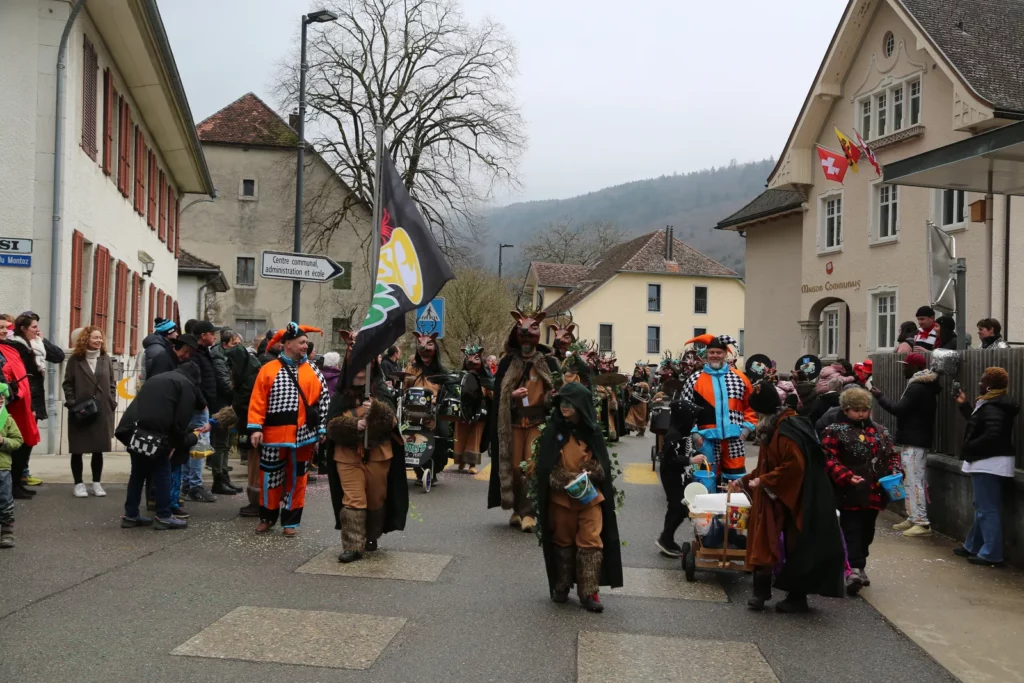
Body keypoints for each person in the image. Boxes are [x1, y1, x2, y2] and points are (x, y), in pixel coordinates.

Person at [732, 381, 845, 613]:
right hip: (777, 492)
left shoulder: (786, 430)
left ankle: (796, 598)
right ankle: (760, 593)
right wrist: (743, 481)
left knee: (797, 543)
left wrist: (764, 480)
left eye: (757, 412)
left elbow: (794, 466)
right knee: (764, 538)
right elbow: (767, 464)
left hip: (799, 495)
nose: (755, 416)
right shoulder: (774, 427)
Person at [533, 382, 622, 612]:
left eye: (570, 403)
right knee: (562, 541)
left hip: (589, 497)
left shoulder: (592, 431)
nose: (565, 406)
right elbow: (545, 467)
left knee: (591, 540)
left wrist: (592, 471)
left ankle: (589, 591)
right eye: (562, 402)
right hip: (561, 500)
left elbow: (601, 464)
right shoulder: (553, 431)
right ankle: (562, 584)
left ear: (580, 406)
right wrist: (564, 478)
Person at [247, 323, 329, 536]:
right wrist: (255, 427)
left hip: (304, 436)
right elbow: (257, 400)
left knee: (298, 479)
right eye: (301, 342)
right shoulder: (268, 369)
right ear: (288, 344)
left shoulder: (314, 371)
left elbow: (324, 401)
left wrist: (321, 428)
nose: (305, 346)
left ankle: (290, 522)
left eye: (306, 342)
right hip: (273, 436)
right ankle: (267, 517)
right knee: (270, 478)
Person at [821, 386, 901, 595]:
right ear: (846, 410)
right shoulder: (834, 431)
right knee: (852, 529)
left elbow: (892, 454)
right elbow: (827, 458)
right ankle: (854, 570)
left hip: (875, 491)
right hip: (849, 492)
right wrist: (846, 476)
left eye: (865, 410)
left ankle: (860, 565)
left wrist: (896, 471)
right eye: (856, 410)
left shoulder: (880, 431)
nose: (861, 414)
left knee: (867, 531)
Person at [327, 362, 408, 562]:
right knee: (353, 499)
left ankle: (371, 534)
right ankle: (353, 546)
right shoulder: (341, 394)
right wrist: (353, 425)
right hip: (347, 455)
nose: (361, 367)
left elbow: (391, 422)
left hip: (378, 453)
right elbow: (331, 427)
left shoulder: (380, 391)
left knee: (375, 499)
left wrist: (376, 410)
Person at [489, 311, 559, 532]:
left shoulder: (549, 362)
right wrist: (511, 396)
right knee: (513, 466)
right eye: (522, 330)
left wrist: (550, 397)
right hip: (514, 423)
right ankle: (517, 510)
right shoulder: (508, 362)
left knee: (531, 466)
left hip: (537, 423)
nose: (527, 334)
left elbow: (556, 395)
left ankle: (529, 513)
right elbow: (498, 395)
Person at [116, 363, 206, 530]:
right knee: (163, 473)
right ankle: (164, 516)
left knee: (137, 475)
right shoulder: (186, 385)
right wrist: (188, 439)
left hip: (137, 433)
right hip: (159, 437)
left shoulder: (156, 379)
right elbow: (180, 421)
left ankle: (130, 515)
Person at [953, 367, 1018, 567]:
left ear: (989, 385)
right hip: (991, 462)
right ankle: (972, 545)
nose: (979, 383)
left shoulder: (992, 407)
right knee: (982, 507)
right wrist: (964, 406)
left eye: (982, 381)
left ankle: (991, 553)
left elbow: (992, 435)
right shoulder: (993, 404)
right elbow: (980, 425)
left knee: (986, 509)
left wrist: (969, 446)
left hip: (988, 463)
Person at [871, 353, 939, 537]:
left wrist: (880, 396)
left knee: (915, 481)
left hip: (915, 440)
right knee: (910, 479)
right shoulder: (921, 386)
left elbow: (898, 409)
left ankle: (922, 522)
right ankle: (913, 517)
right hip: (914, 439)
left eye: (906, 365)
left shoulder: (917, 388)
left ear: (915, 368)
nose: (903, 369)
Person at [681, 335, 757, 486]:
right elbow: (685, 409)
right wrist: (695, 434)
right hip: (705, 440)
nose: (715, 355)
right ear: (707, 354)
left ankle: (731, 502)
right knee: (705, 481)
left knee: (735, 483)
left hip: (735, 440)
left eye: (719, 352)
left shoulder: (740, 378)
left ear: (725, 354)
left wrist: (746, 430)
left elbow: (752, 406)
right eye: (712, 352)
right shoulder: (694, 379)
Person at [62, 326, 116, 498]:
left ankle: (96, 483)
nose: (99, 340)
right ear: (86, 339)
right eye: (95, 337)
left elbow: (112, 382)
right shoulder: (75, 360)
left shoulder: (105, 358)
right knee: (78, 448)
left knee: (98, 449)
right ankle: (78, 484)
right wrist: (72, 403)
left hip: (102, 410)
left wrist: (111, 401)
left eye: (100, 337)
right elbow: (68, 384)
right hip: (81, 410)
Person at [184, 321, 231, 502]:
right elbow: (195, 382)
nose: (215, 336)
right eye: (212, 333)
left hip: (203, 405)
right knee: (198, 446)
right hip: (198, 407)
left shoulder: (204, 352)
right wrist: (202, 403)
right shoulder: (196, 354)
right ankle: (194, 486)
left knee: (194, 445)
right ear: (203, 335)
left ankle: (188, 484)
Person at [655, 398, 706, 557]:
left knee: (681, 508)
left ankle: (667, 537)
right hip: (672, 477)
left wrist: (696, 456)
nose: (694, 422)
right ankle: (666, 538)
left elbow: (685, 451)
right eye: (692, 418)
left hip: (682, 475)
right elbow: (670, 459)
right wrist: (691, 460)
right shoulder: (673, 435)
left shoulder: (684, 434)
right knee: (677, 507)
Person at [0, 324, 40, 500]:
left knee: (22, 445)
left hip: (19, 403)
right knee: (11, 448)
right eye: (1, 328)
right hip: (8, 405)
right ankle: (10, 488)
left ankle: (15, 485)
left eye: (5, 327)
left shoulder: (11, 348)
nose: (5, 331)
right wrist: (10, 390)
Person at [226, 341, 262, 517]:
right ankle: (258, 501)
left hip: (254, 428)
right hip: (252, 427)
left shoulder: (249, 379)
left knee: (255, 465)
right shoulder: (250, 373)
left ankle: (257, 501)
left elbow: (243, 403)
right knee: (254, 463)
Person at [206, 326, 240, 496]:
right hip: (220, 405)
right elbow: (226, 385)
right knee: (220, 444)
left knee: (225, 444)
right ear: (226, 344)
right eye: (235, 344)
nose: (238, 347)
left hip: (226, 404)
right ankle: (219, 479)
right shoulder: (219, 359)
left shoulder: (226, 357)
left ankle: (224, 476)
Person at [452, 345, 492, 474]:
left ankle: (472, 463)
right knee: (460, 433)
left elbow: (492, 391)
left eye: (476, 358)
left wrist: (488, 392)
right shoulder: (462, 375)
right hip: (463, 407)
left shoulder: (486, 376)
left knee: (475, 436)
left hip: (479, 408)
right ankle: (461, 460)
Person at [0, 383, 24, 548]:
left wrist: (3, 441)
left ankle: (7, 531)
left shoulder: (7, 420)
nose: (0, 399)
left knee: (4, 499)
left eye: (2, 396)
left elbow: (18, 440)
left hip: (2, 467)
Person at [141, 318, 178, 385]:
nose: (177, 334)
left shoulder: (161, 346)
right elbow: (155, 373)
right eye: (175, 331)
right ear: (168, 334)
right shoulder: (156, 350)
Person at [625, 363, 650, 437]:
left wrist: (641, 386)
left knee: (641, 418)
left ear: (641, 374)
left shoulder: (644, 382)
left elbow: (647, 389)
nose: (637, 374)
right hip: (633, 402)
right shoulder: (631, 381)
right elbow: (627, 389)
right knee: (630, 415)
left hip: (641, 403)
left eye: (638, 373)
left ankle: (641, 431)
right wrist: (628, 387)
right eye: (635, 372)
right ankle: (628, 429)